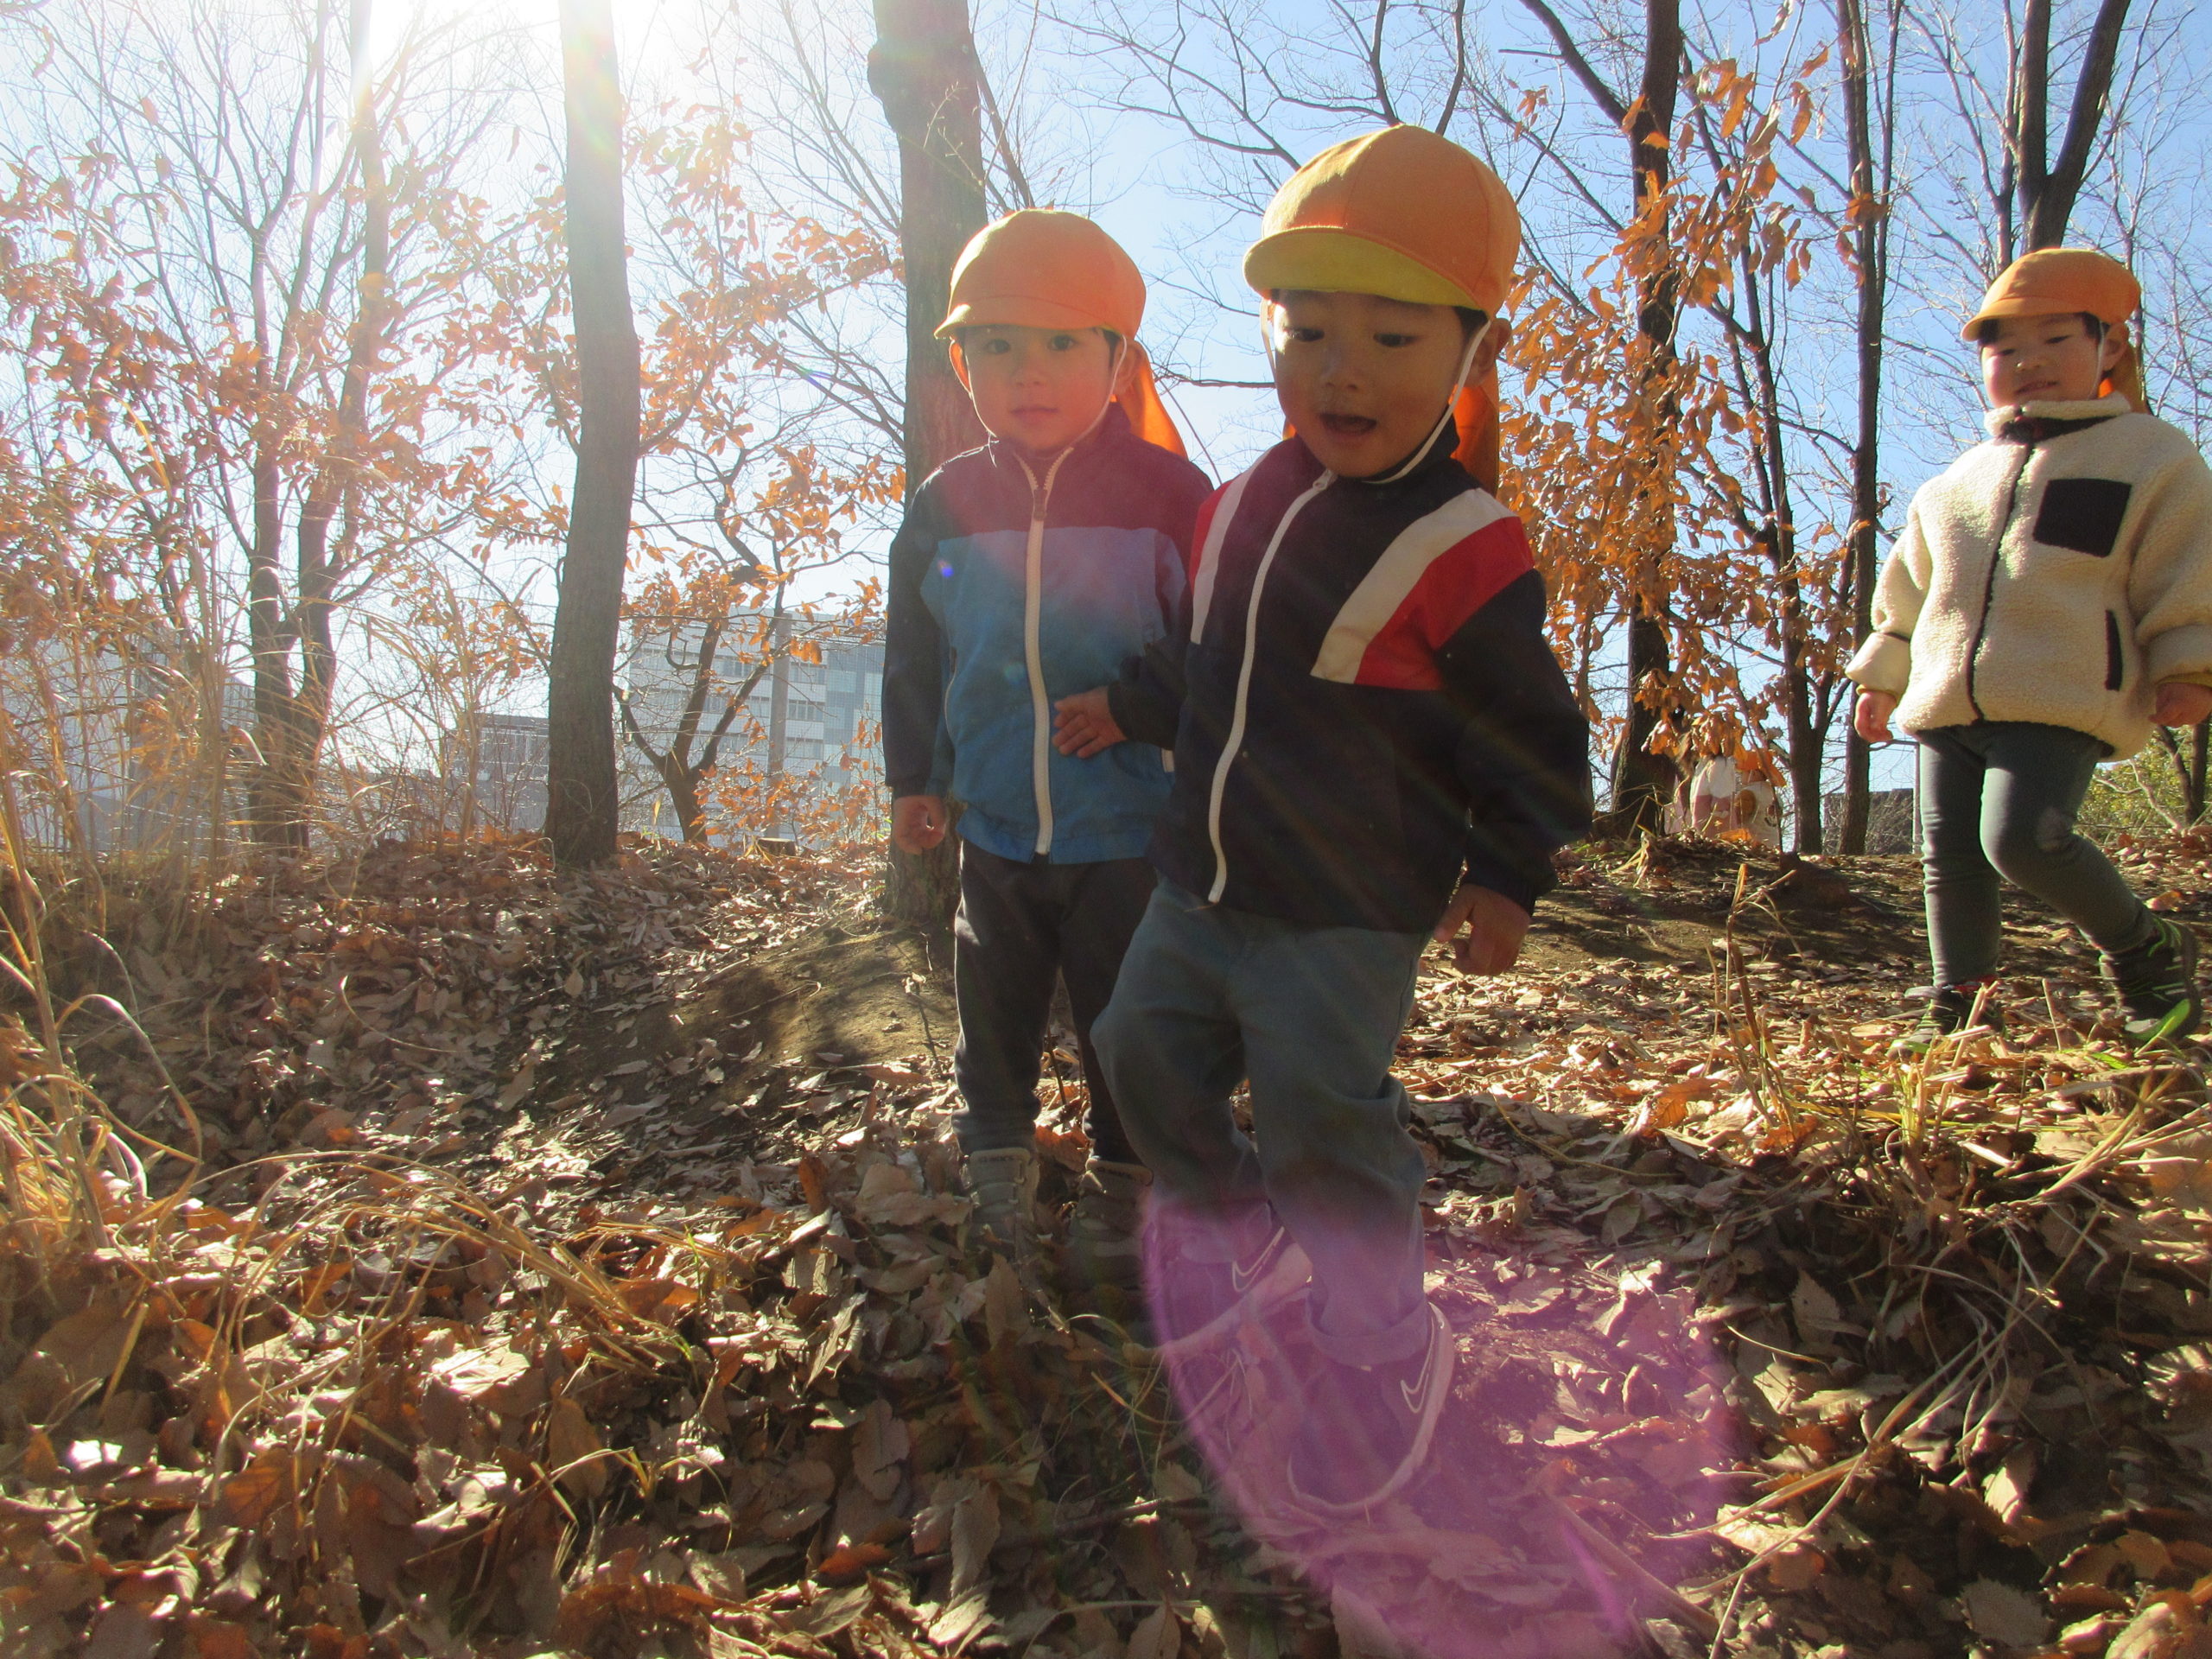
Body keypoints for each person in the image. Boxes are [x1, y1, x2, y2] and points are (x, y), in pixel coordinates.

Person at [1079, 126, 1592, 1516]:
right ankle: (1243, 1233)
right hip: (1197, 883)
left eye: (1392, 337)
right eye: (1306, 331)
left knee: (1320, 1122)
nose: (1341, 370)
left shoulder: (1466, 543)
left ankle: (1380, 1348)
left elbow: (1532, 732)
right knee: (1134, 1054)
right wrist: (1124, 706)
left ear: (1472, 353)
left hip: (1347, 914)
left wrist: (1508, 875)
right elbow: (1205, 662)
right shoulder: (1238, 503)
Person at [880, 210, 1212, 1295]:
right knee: (994, 1011)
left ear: (1117, 360)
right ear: (961, 366)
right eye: (998, 345)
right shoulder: (943, 506)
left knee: (1124, 1018)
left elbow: (1216, 649)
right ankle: (995, 1174)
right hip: (994, 826)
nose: (1028, 371)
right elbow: (916, 646)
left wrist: (1134, 708)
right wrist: (916, 777)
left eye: (1063, 342)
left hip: (1129, 826)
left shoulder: (1170, 497)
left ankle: (1124, 1184)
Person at [1847, 247, 2212, 1050]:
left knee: (2022, 840)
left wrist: (2188, 665)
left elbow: (2184, 570)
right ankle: (1962, 1000)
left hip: (2062, 688)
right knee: (1948, 857)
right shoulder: (1956, 482)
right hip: (1945, 697)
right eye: (2006, 348)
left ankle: (2146, 948)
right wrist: (1882, 678)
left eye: (2054, 341)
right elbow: (1908, 594)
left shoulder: (2149, 456)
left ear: (2110, 347)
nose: (2028, 362)